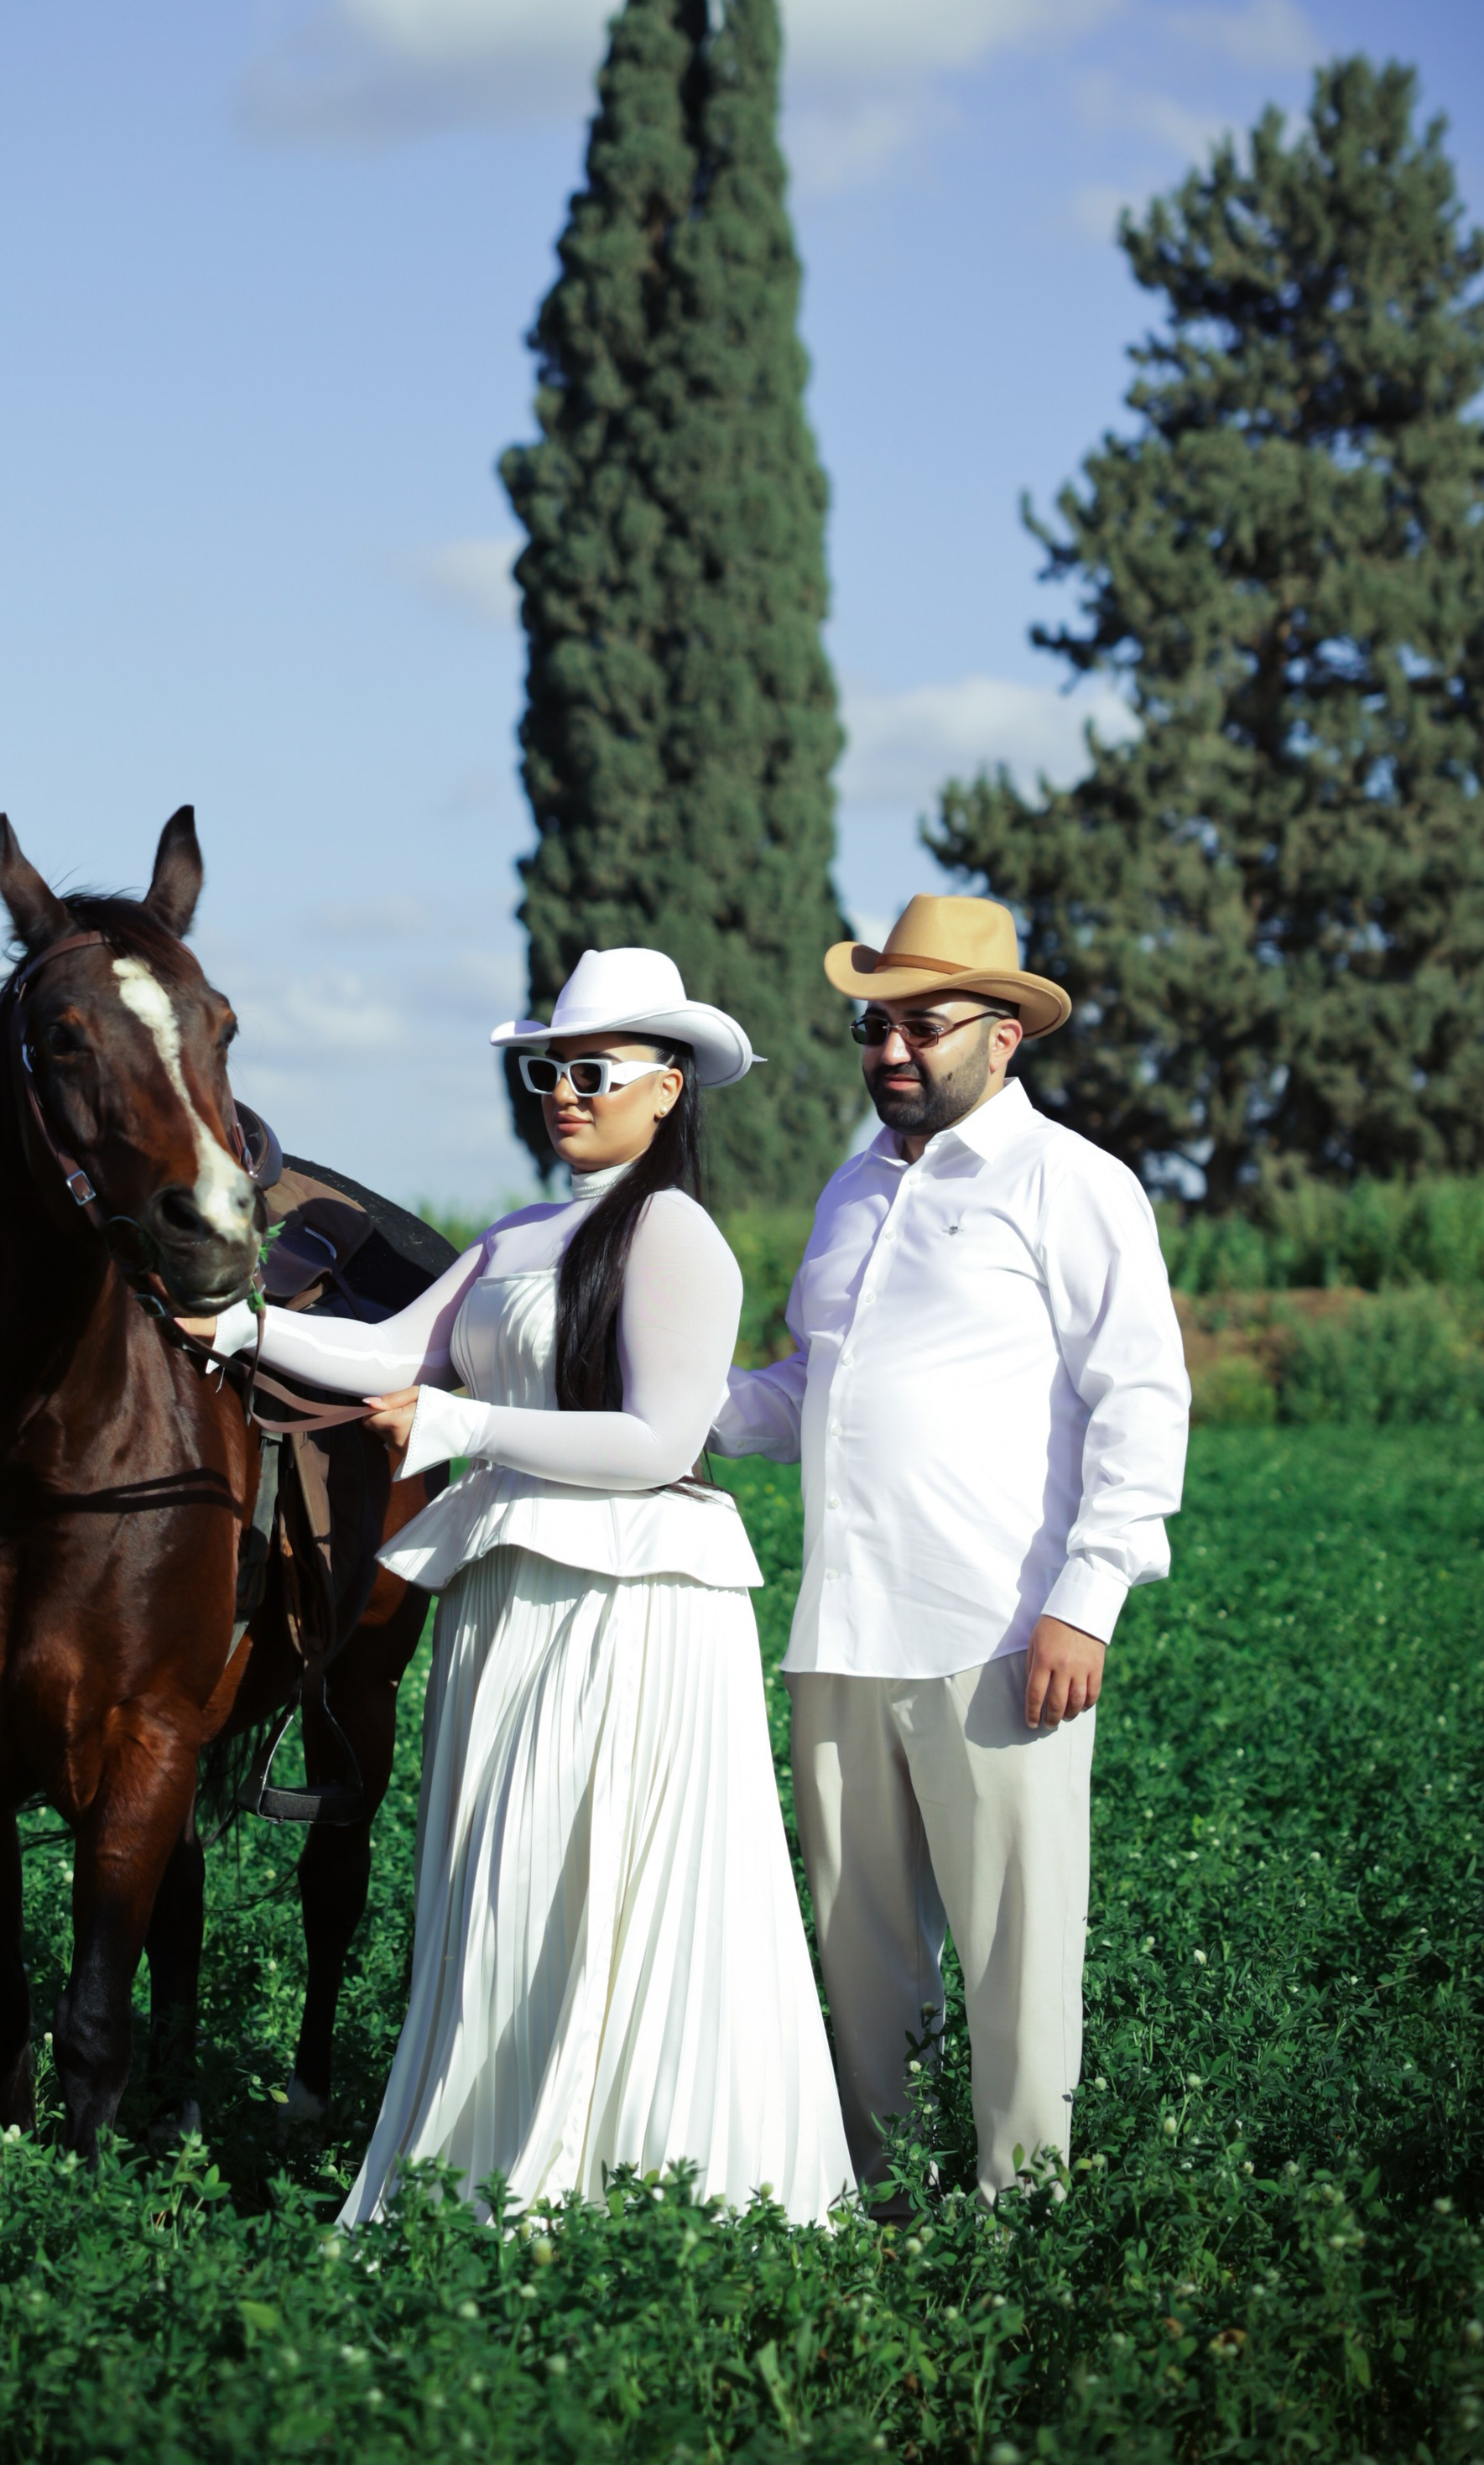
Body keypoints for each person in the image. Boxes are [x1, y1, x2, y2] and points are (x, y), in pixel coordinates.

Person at [205, 946, 853, 2226]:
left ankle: (627, 2187)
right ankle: (485, 2175)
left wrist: (465, 1430)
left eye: (590, 1069)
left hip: (626, 1609)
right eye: (546, 1067)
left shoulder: (673, 1233)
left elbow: (665, 1442)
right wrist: (241, 1326)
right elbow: (392, 1348)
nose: (563, 1090)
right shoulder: (518, 1233)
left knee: (605, 1881)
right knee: (499, 1889)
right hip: (507, 1598)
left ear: (666, 1088)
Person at [711, 893, 1191, 2203]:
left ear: (1005, 1037)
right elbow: (806, 1385)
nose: (891, 1051)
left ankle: (1021, 2223)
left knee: (1017, 1952)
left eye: (923, 1024)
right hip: (841, 1634)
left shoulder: (1075, 1184)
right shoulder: (850, 1190)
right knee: (858, 1952)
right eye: (875, 1025)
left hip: (999, 1634)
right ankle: (875, 2202)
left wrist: (1086, 1602)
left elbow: (1142, 1401)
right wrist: (672, 1411)